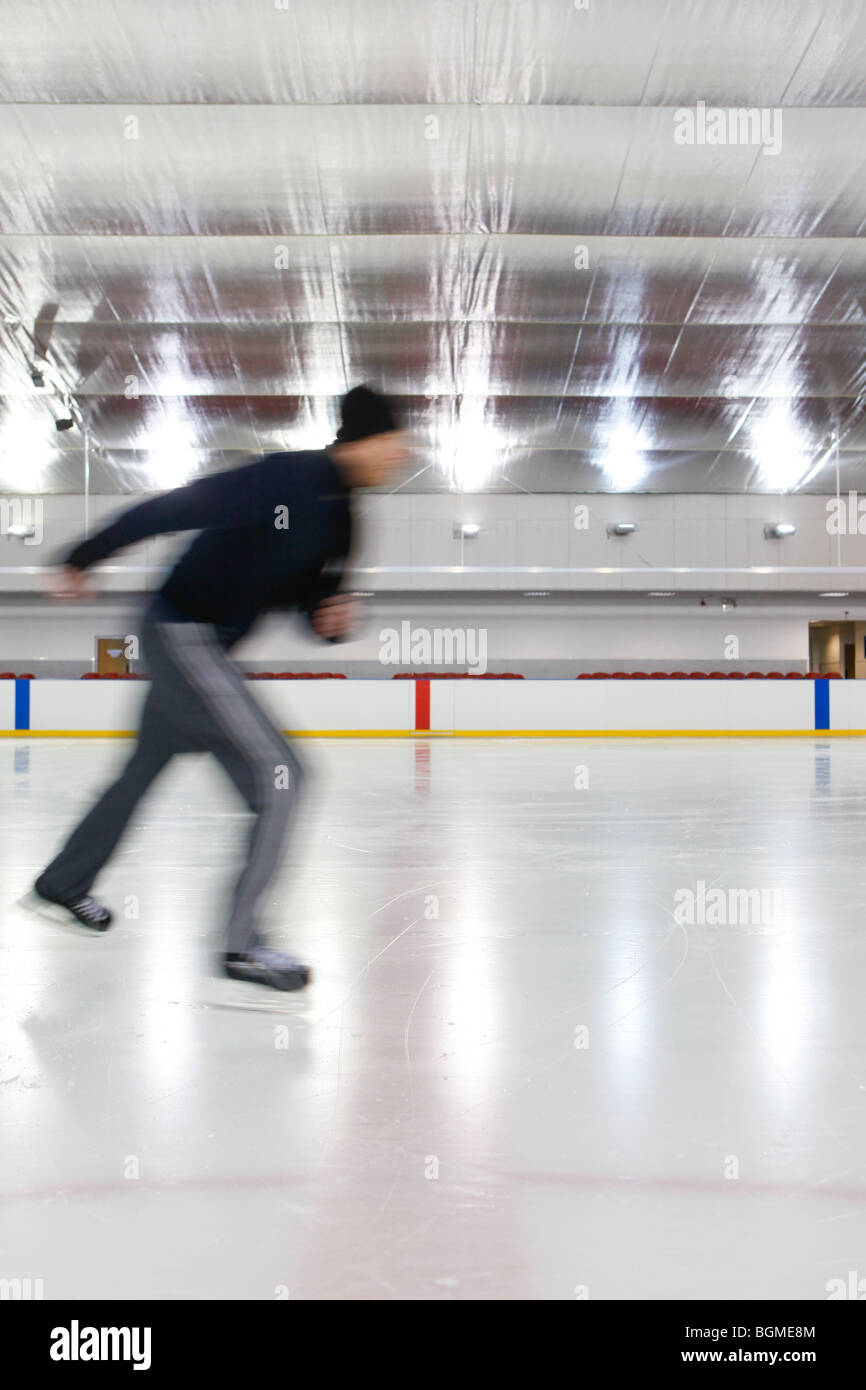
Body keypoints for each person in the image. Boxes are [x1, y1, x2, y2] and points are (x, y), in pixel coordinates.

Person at [24, 385, 407, 995]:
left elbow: (304, 598)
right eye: (395, 442)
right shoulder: (287, 478)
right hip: (182, 631)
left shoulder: (346, 520)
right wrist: (85, 556)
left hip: (203, 648)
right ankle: (241, 945)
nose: (401, 457)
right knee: (283, 777)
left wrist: (327, 620)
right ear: (363, 438)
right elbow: (178, 508)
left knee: (139, 774)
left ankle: (63, 882)